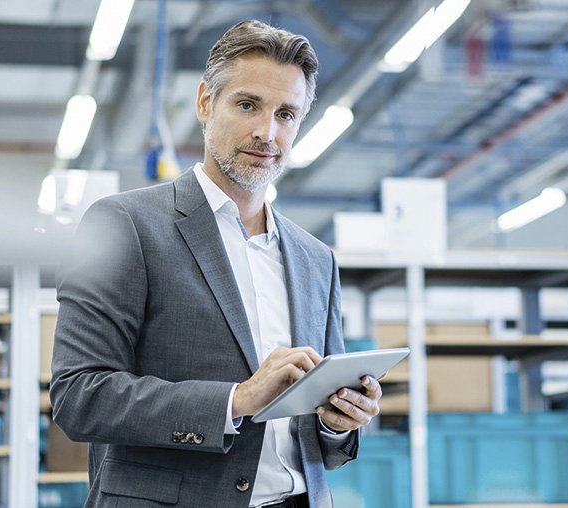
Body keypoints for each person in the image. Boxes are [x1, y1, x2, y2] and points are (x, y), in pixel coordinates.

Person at [50, 19, 381, 508]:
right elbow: (80, 396)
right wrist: (236, 400)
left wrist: (336, 424)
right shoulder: (125, 225)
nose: (266, 131)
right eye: (247, 105)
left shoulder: (316, 259)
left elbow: (320, 448)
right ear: (206, 102)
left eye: (286, 114)